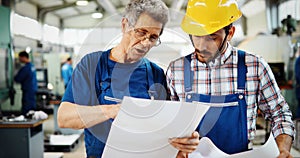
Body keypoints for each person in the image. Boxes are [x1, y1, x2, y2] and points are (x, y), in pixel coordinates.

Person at [57, 0, 199, 157]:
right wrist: (117, 110)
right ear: (125, 25)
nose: (146, 43)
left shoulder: (156, 73)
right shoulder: (92, 65)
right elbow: (65, 118)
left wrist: (184, 143)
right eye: (141, 32)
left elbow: (166, 127)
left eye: (153, 37)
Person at [166, 0, 295, 157]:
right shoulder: (176, 70)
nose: (202, 45)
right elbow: (169, 125)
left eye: (211, 37)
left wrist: (283, 149)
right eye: (197, 36)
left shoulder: (254, 66)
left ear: (230, 33)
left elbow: (280, 114)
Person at [14, 51, 38, 115]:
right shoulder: (32, 66)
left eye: (20, 58)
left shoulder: (26, 68)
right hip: (32, 90)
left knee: (27, 109)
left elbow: (18, 78)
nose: (19, 60)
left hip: (27, 91)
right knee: (32, 108)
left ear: (24, 57)